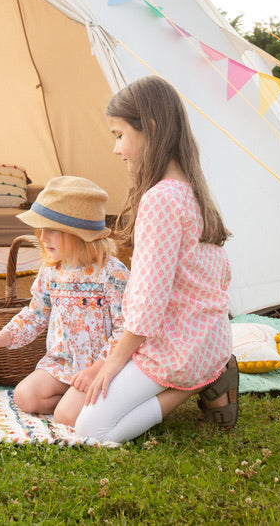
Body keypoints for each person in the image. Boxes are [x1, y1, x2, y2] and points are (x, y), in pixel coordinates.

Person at [73, 75, 236, 445]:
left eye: (119, 135)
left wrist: (114, 364)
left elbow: (148, 302)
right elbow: (220, 275)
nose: (116, 149)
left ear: (149, 128)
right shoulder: (194, 192)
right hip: (208, 339)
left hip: (176, 350)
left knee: (91, 429)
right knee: (77, 409)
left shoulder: (161, 200)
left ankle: (200, 383)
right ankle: (211, 371)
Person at [0, 175, 130, 425]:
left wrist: (95, 370)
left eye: (52, 230)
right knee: (24, 397)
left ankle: (87, 404)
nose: (43, 238)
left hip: (99, 366)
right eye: (40, 230)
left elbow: (126, 328)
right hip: (61, 364)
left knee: (65, 417)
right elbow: (36, 314)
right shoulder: (52, 270)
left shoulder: (112, 273)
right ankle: (73, 399)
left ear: (80, 233)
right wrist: (1, 337)